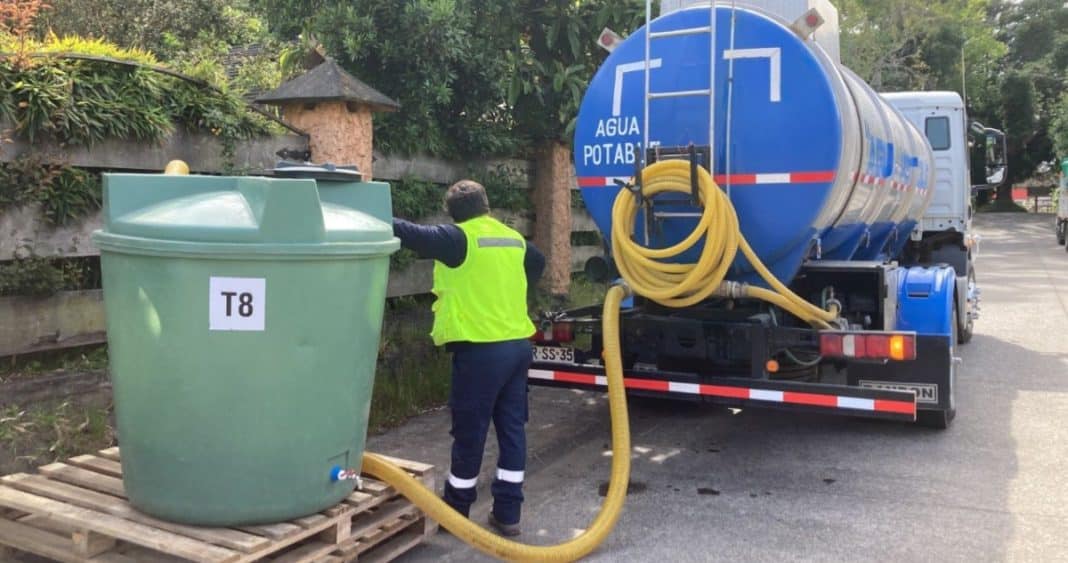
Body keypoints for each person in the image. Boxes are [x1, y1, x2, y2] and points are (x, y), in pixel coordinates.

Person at [392, 179, 545, 536]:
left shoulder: (457, 239)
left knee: (470, 431)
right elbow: (537, 264)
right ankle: (508, 513)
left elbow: (407, 232)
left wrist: (361, 204)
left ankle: (457, 511)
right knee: (511, 429)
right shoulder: (512, 239)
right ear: (487, 206)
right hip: (518, 346)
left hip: (481, 351)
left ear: (453, 214)